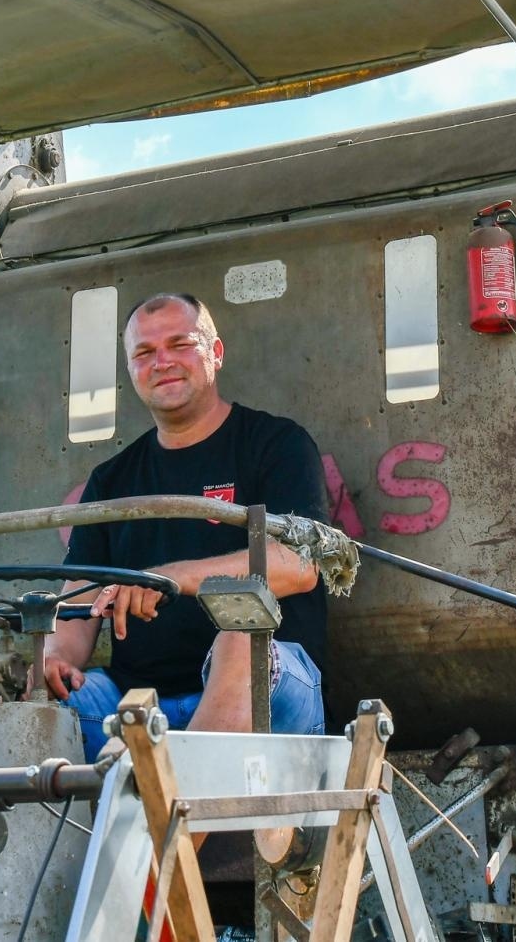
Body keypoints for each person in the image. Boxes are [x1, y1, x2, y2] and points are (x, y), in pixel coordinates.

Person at [44, 292, 330, 762]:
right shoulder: (111, 481)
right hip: (139, 709)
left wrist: (170, 579)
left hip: (272, 693)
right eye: (144, 352)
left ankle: (184, 829)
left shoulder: (276, 445)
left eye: (180, 344)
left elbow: (299, 566)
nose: (162, 362)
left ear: (215, 353)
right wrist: (52, 660)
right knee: (38, 701)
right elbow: (79, 599)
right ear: (131, 369)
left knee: (240, 640)